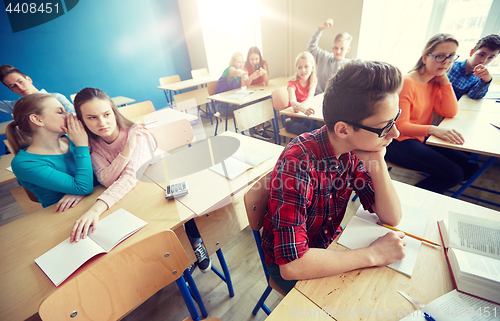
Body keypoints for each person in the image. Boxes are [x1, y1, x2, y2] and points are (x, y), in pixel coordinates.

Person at [261, 60, 406, 293]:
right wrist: (372, 254)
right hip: (294, 263)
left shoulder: (352, 151)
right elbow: (291, 266)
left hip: (327, 245)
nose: (396, 133)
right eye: (385, 126)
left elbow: (392, 216)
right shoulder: (298, 162)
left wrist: (377, 160)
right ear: (343, 129)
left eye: (394, 119)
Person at [69, 88, 211, 272]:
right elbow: (105, 179)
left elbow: (128, 177)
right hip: (136, 191)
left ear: (114, 112)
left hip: (163, 180)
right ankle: (173, 252)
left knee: (178, 209)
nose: (102, 122)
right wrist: (127, 149)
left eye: (106, 114)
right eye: (92, 118)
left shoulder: (137, 133)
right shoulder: (94, 144)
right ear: (81, 121)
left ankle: (195, 241)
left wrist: (96, 209)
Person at [385, 33, 478, 194]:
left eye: (451, 56)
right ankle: (407, 203)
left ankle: (420, 197)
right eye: (440, 56)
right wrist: (433, 129)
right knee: (454, 175)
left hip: (419, 138)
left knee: (471, 167)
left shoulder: (434, 81)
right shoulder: (407, 82)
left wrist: (445, 81)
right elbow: (399, 126)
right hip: (397, 142)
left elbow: (450, 111)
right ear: (425, 57)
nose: (446, 62)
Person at [7, 93, 93, 210]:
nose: (68, 116)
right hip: (67, 216)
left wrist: (78, 191)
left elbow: (98, 177)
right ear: (37, 120)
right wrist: (82, 145)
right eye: (60, 112)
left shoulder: (73, 141)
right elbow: (84, 187)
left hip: (96, 202)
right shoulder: (24, 163)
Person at [214, 52, 272, 141]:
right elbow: (236, 71)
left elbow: (243, 88)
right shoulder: (230, 70)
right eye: (239, 62)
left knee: (254, 101)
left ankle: (256, 131)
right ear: (233, 63)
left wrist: (248, 77)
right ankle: (255, 131)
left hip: (232, 101)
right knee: (248, 105)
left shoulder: (240, 75)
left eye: (242, 62)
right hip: (222, 106)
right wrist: (242, 73)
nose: (241, 64)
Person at [0, 65, 75, 114]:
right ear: (11, 89)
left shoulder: (57, 97)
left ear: (28, 79)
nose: (20, 87)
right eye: (13, 86)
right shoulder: (18, 106)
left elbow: (74, 116)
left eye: (20, 81)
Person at [448, 34, 500, 100]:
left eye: (490, 57)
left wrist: (487, 81)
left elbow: (474, 96)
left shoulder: (480, 78)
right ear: (472, 52)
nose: (484, 61)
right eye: (481, 55)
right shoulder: (449, 66)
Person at [308, 19, 353, 95]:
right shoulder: (324, 57)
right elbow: (311, 47)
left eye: (342, 49)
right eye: (336, 48)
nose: (338, 51)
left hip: (334, 100)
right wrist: (319, 29)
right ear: (333, 48)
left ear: (348, 49)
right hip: (316, 95)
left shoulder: (349, 65)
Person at [285, 51, 321, 135]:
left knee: (320, 131)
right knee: (311, 135)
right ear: (296, 68)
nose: (303, 70)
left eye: (306, 66)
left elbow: (310, 97)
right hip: (291, 120)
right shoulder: (292, 83)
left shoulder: (313, 80)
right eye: (299, 67)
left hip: (303, 117)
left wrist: (303, 108)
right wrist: (303, 109)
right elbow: (293, 101)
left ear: (312, 67)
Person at [243, 47, 273, 140]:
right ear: (248, 59)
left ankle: (259, 128)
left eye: (256, 59)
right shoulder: (245, 67)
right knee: (252, 104)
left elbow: (267, 82)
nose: (254, 61)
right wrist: (251, 77)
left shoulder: (264, 63)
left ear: (259, 58)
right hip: (250, 92)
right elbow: (245, 85)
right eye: (252, 59)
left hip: (260, 91)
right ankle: (255, 131)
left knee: (268, 100)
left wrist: (265, 73)